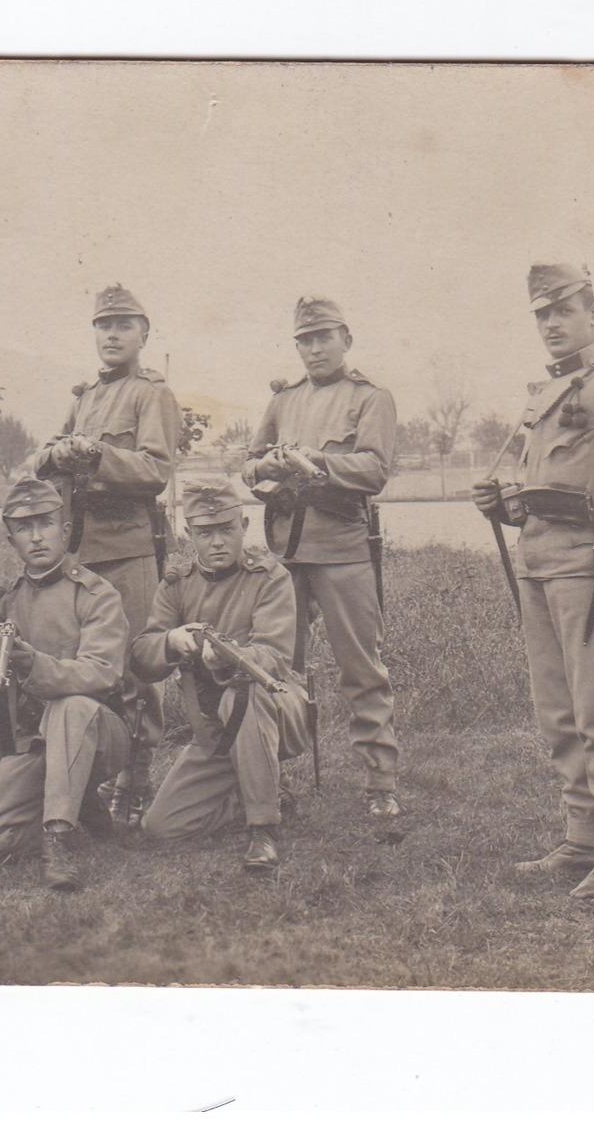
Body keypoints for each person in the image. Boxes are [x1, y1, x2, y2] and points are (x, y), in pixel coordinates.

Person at [471, 261, 594, 899]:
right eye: (543, 314)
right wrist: (502, 501)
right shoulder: (544, 394)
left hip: (590, 558)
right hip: (539, 556)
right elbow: (540, 486)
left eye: (563, 311)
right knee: (557, 709)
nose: (552, 324)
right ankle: (579, 834)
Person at [241, 296, 401, 818]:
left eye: (323, 338)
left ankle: (380, 783)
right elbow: (250, 461)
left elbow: (375, 470)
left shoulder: (370, 398)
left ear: (345, 340)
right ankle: (275, 779)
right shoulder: (284, 399)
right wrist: (262, 467)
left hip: (342, 548)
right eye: (305, 341)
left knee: (361, 667)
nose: (313, 349)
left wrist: (318, 463)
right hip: (286, 551)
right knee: (278, 667)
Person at [33, 283, 180, 828]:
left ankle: (135, 782)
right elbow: (42, 457)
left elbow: (155, 471)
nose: (112, 335)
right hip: (80, 551)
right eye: (103, 325)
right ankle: (90, 779)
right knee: (85, 664)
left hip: (128, 549)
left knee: (136, 668)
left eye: (123, 325)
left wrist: (98, 455)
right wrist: (60, 452)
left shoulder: (151, 393)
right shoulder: (84, 396)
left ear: (144, 333)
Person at [0, 476, 131, 891]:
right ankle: (79, 800)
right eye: (24, 528)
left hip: (100, 734)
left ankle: (57, 843)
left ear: (65, 531)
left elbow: (102, 673)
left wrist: (34, 665)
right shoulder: (7, 596)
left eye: (46, 524)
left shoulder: (95, 593)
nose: (36, 537)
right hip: (37, 742)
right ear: (11, 539)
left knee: (70, 707)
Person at [135, 479, 309, 870]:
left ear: (244, 526)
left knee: (242, 695)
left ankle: (262, 829)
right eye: (205, 533)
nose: (217, 542)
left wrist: (230, 659)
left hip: (275, 708)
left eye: (226, 530)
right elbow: (142, 655)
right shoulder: (176, 585)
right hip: (215, 731)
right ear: (188, 534)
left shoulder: (269, 577)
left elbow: (275, 656)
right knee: (162, 827)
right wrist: (172, 640)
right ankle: (256, 790)